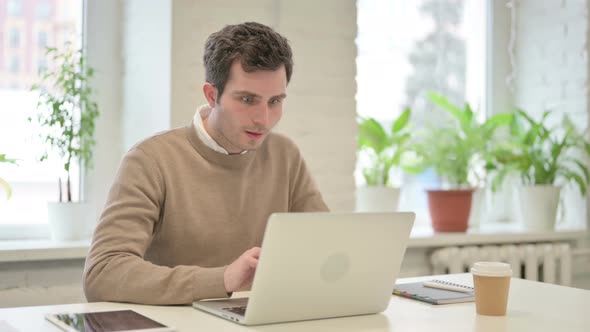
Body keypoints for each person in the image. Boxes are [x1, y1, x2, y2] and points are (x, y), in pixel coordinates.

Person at [83, 22, 329, 305]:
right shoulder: (151, 160)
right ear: (212, 96)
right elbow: (102, 273)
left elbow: (325, 248)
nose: (264, 119)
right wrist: (222, 280)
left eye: (274, 101)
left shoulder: (285, 154)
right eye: (247, 99)